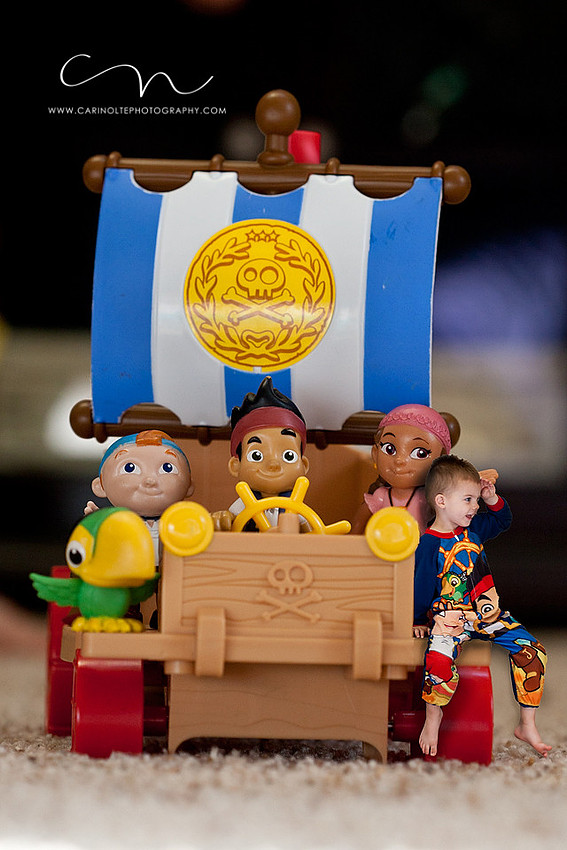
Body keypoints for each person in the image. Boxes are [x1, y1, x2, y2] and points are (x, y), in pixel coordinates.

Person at [413, 455, 550, 758]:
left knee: (533, 651)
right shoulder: (429, 543)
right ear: (441, 501)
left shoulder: (473, 530)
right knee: (438, 662)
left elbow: (503, 520)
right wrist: (419, 619)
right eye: (468, 499)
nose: (475, 507)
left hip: (487, 615)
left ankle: (527, 724)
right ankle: (433, 717)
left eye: (475, 500)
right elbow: (421, 585)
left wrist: (491, 498)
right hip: (449, 618)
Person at [211, 377, 310, 531]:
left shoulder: (296, 506)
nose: (273, 464)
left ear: (304, 465)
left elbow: (312, 533)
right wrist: (223, 520)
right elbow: (229, 519)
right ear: (235, 465)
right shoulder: (243, 504)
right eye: (256, 456)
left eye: (288, 456)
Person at [85, 430, 194, 565]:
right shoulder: (117, 523)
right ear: (100, 486)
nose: (150, 480)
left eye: (167, 468)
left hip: (172, 573)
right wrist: (97, 524)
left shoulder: (181, 522)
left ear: (189, 486)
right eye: (129, 468)